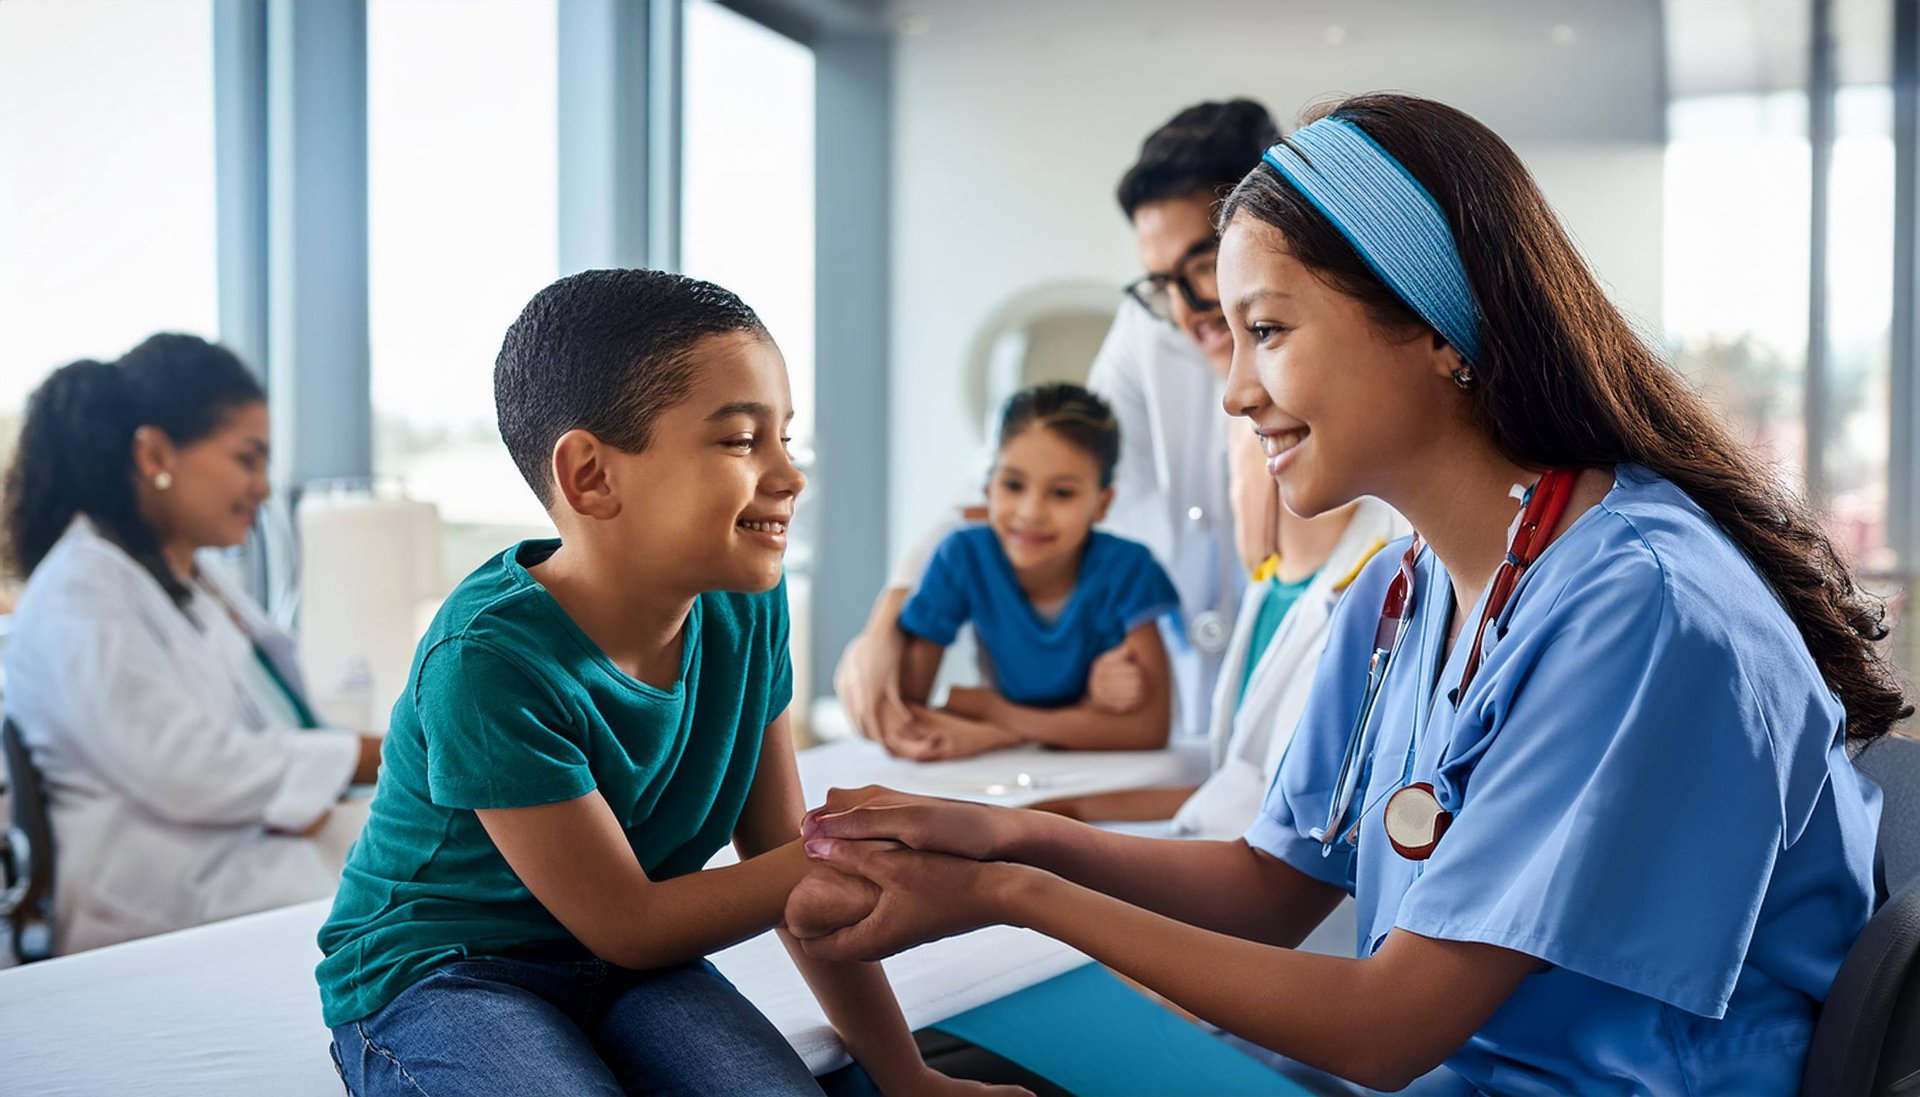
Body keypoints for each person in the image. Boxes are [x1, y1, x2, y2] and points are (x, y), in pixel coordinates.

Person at [784, 93, 1900, 1096]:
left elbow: (1386, 1029)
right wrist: (1011, 838)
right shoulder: (1401, 595)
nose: (1233, 391)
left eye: (1266, 331)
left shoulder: (1640, 605)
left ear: (1432, 324)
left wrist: (1010, 895)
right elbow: (1270, 883)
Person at [315, 270, 1023, 1097]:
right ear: (590, 476)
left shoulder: (746, 609)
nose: (789, 476)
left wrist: (907, 1076)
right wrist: (851, 844)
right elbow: (634, 922)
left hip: (624, 969)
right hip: (449, 972)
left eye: (786, 438)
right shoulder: (487, 660)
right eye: (740, 441)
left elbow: (775, 851)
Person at [836, 100, 1283, 747]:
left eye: (1201, 264)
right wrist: (886, 620)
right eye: (1160, 281)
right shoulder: (1149, 329)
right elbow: (1022, 475)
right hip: (1195, 712)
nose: (1188, 310)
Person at [2, 334, 380, 954]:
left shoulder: (189, 580)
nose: (262, 487)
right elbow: (188, 769)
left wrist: (334, 773)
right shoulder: (81, 591)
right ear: (154, 453)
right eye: (246, 458)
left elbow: (260, 721)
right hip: (169, 900)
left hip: (236, 859)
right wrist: (367, 755)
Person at [888, 383, 1179, 762]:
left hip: (1094, 774)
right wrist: (1088, 715)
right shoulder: (963, 556)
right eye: (1012, 485)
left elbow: (1148, 731)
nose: (1030, 512)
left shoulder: (1128, 569)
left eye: (1062, 493)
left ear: (1101, 504)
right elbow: (908, 713)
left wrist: (996, 717)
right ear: (988, 488)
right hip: (998, 771)